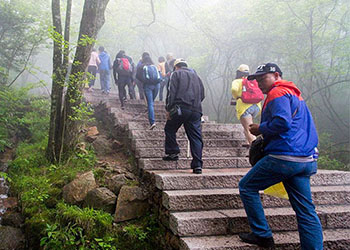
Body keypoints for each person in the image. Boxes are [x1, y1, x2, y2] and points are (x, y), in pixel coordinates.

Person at [238, 63, 322, 249]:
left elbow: (282, 123)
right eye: (257, 79)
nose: (259, 83)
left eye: (263, 78)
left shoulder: (277, 93)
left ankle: (262, 235)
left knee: (246, 187)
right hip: (306, 158)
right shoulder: (296, 94)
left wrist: (260, 128)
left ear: (276, 75)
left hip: (284, 156)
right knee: (306, 210)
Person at [163, 59, 205, 174]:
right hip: (196, 110)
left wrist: (168, 108)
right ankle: (197, 165)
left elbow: (171, 92)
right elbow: (202, 94)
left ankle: (173, 152)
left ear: (176, 67)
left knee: (170, 129)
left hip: (180, 108)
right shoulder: (197, 76)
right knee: (195, 137)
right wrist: (195, 103)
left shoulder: (175, 74)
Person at [231, 64, 263, 145]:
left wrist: (237, 96)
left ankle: (255, 149)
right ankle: (248, 142)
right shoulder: (253, 80)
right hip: (257, 106)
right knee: (246, 127)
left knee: (249, 129)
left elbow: (234, 89)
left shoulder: (237, 81)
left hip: (244, 107)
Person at [136, 53, 161, 129]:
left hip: (148, 86)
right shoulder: (154, 66)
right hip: (157, 85)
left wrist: (143, 82)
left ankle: (152, 122)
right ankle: (150, 112)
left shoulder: (142, 66)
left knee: (150, 104)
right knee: (151, 103)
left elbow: (137, 76)